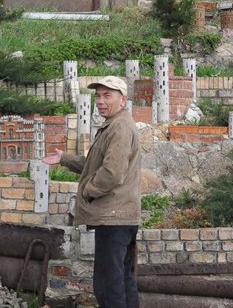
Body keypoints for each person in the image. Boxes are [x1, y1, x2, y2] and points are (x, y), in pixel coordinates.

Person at [44, 76, 141, 308]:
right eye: (98, 96)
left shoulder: (119, 127)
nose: (100, 101)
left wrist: (87, 191)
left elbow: (112, 173)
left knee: (108, 285)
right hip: (121, 216)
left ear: (123, 99)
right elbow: (95, 164)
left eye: (107, 95)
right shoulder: (117, 124)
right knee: (123, 280)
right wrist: (65, 159)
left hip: (113, 217)